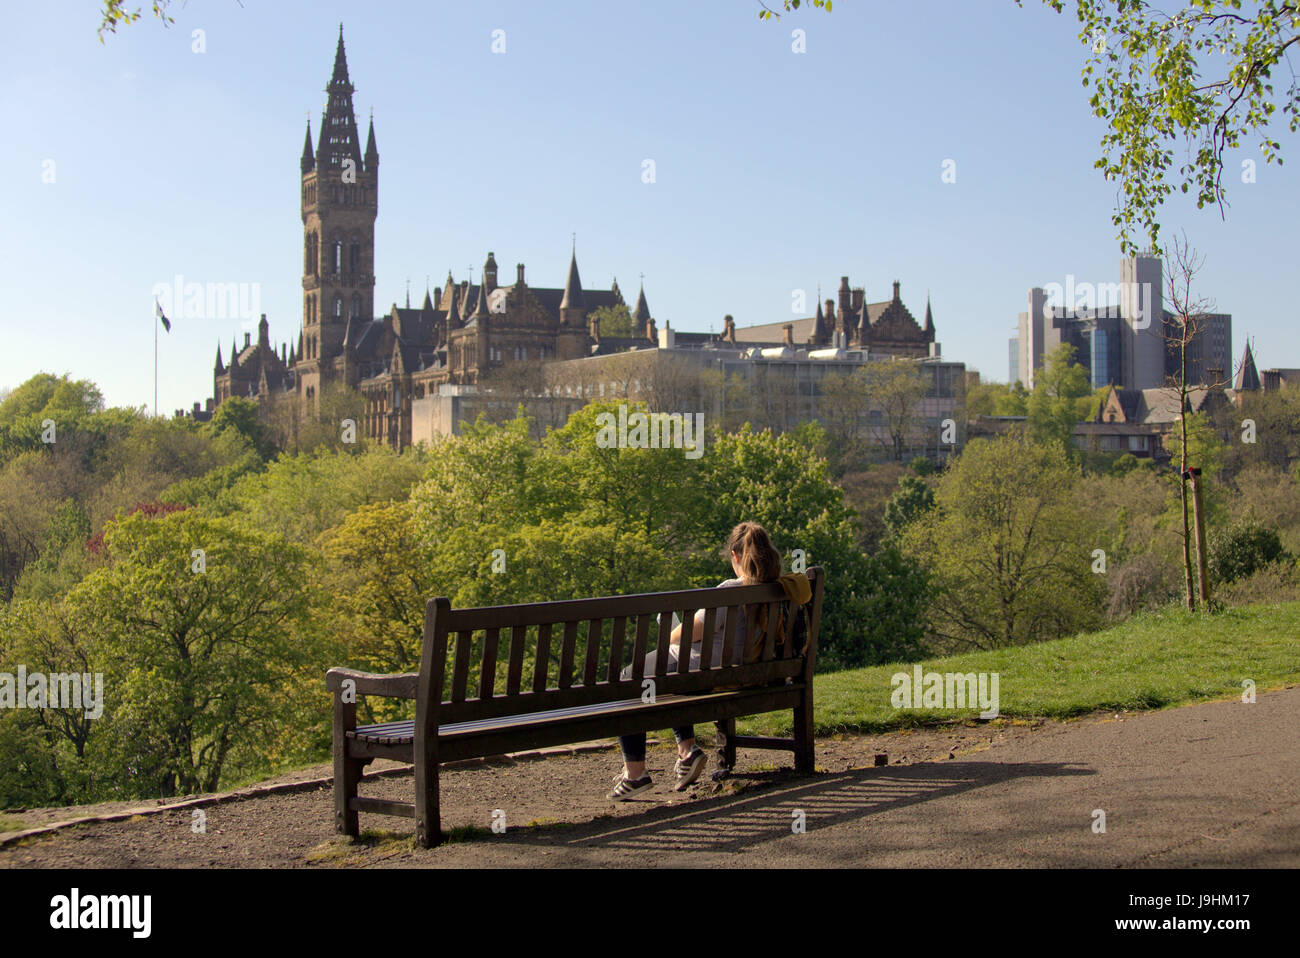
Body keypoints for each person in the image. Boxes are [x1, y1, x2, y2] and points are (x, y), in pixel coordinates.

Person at [608, 521, 783, 801]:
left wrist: (676, 630)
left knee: (628, 680)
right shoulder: (778, 590)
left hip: (704, 671)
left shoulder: (730, 590)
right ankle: (687, 752)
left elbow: (684, 635)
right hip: (740, 672)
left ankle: (635, 774)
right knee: (671, 683)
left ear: (736, 556)